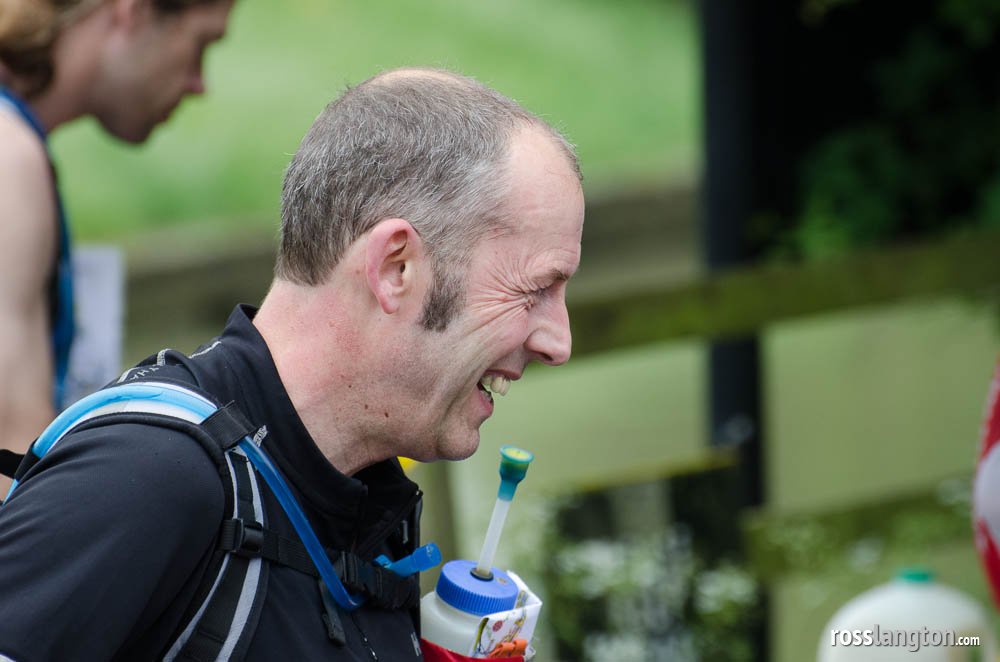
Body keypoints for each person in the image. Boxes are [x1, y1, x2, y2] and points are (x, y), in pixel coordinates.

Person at [0, 68, 584, 660]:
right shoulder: (147, 477)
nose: (558, 343)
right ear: (395, 268)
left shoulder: (366, 502)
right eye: (536, 288)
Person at [0, 0, 236, 492]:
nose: (199, 84)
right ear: (135, 12)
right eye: (200, 43)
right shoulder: (9, 158)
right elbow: (11, 459)